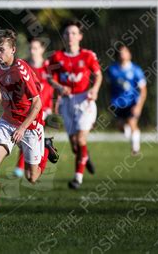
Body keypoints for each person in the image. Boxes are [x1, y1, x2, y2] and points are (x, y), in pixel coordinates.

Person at [0, 29, 58, 221]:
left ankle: (46, 149)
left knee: (32, 178)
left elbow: (37, 104)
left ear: (13, 50)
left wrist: (23, 128)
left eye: (1, 50)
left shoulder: (22, 71)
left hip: (30, 125)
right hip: (7, 122)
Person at [47, 20, 102, 190]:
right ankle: (85, 157)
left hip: (85, 100)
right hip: (67, 102)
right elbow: (50, 77)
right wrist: (58, 88)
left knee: (80, 139)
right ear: (63, 37)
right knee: (74, 145)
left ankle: (77, 178)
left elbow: (98, 75)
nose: (70, 36)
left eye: (73, 33)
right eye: (67, 33)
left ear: (80, 36)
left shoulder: (88, 55)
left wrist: (95, 89)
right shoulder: (56, 57)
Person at [13, 38, 56, 178]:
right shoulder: (25, 66)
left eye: (36, 48)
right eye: (31, 48)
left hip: (42, 108)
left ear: (42, 50)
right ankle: (45, 147)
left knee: (25, 134)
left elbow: (52, 87)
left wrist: (53, 105)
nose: (33, 51)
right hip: (27, 108)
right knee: (26, 135)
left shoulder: (48, 67)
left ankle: (20, 167)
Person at [107, 43, 147, 155]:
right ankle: (129, 133)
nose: (123, 54)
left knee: (132, 122)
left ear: (129, 54)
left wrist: (139, 106)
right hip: (118, 103)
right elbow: (109, 86)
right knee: (120, 126)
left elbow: (143, 90)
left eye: (125, 52)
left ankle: (135, 149)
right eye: (121, 52)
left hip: (132, 102)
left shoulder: (136, 70)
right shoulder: (112, 69)